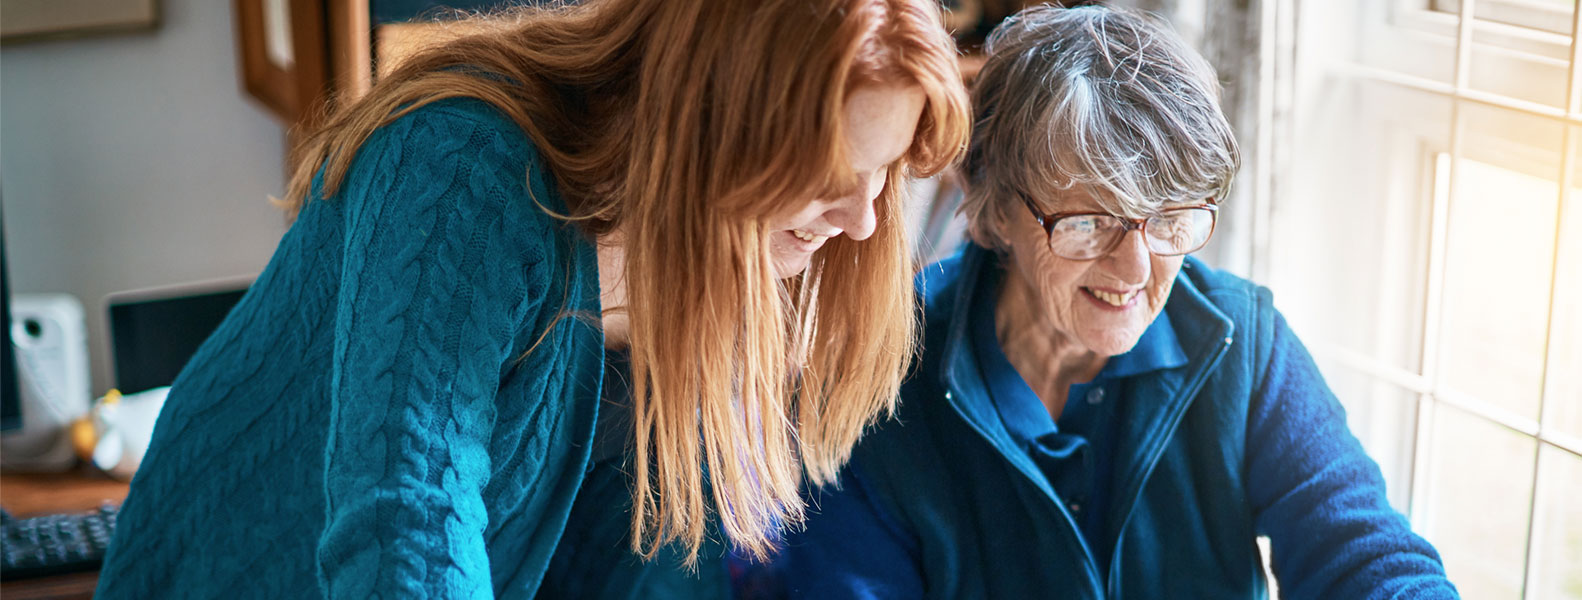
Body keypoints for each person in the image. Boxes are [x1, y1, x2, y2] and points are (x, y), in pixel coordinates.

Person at [94, 0, 969, 597]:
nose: (860, 221)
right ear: (718, 129)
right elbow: (409, 518)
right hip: (235, 563)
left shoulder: (740, 256)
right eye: (825, 178)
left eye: (883, 172)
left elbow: (648, 558)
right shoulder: (461, 166)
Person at [768, 5, 1460, 599]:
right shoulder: (878, 372)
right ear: (996, 209)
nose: (1136, 268)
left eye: (1168, 218)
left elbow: (1365, 554)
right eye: (1089, 221)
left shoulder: (1241, 343)